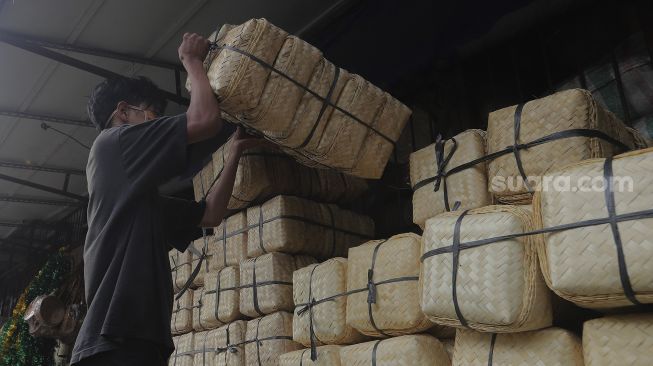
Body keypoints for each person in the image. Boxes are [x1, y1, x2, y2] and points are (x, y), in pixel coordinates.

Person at [71, 33, 263, 365]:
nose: (158, 123)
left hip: (138, 341)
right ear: (123, 111)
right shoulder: (112, 143)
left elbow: (211, 214)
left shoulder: (139, 199)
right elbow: (203, 120)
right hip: (115, 341)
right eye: (152, 113)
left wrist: (234, 153)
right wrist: (192, 61)